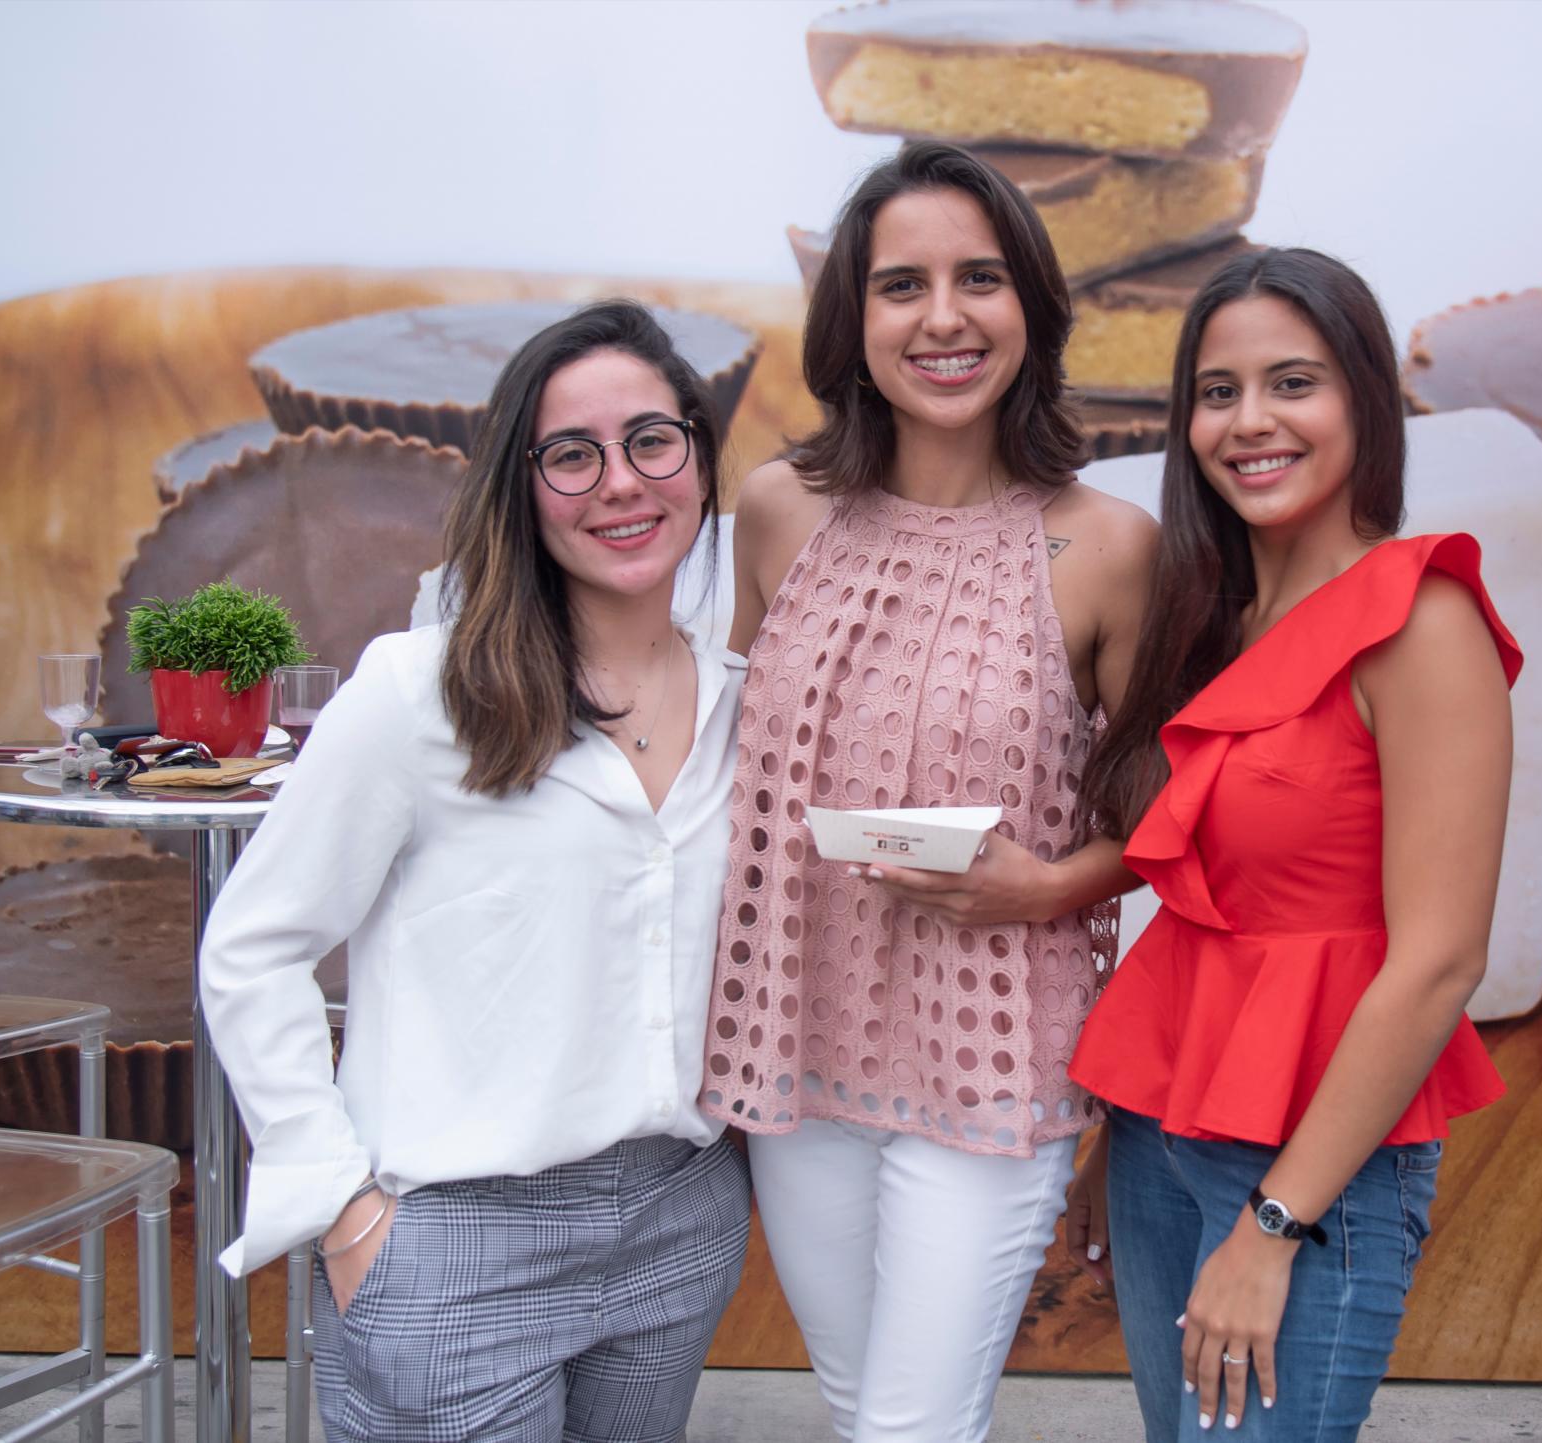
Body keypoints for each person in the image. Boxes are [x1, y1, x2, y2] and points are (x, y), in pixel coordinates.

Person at [200, 300, 750, 1443]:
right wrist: (343, 1207)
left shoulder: (751, 704)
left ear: (698, 456)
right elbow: (255, 949)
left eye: (651, 440)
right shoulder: (419, 693)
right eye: (571, 455)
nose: (620, 483)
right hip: (452, 1242)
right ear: (520, 483)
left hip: (678, 1222)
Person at [701, 141, 1157, 1442]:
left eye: (982, 279)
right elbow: (732, 760)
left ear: (1035, 312)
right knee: (861, 1409)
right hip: (800, 1040)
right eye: (903, 284)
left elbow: (1172, 813)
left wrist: (1056, 879)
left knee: (909, 1425)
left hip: (996, 1053)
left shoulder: (1110, 544)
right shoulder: (778, 510)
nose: (944, 316)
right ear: (853, 321)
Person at [1064, 248, 1523, 1441]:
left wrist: (1272, 1224)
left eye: (1291, 383)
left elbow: (1435, 964)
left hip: (1307, 1173)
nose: (1248, 422)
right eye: (1216, 393)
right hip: (1163, 1133)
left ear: (1364, 400)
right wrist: (1129, 1138)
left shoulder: (1420, 622)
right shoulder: (1213, 618)